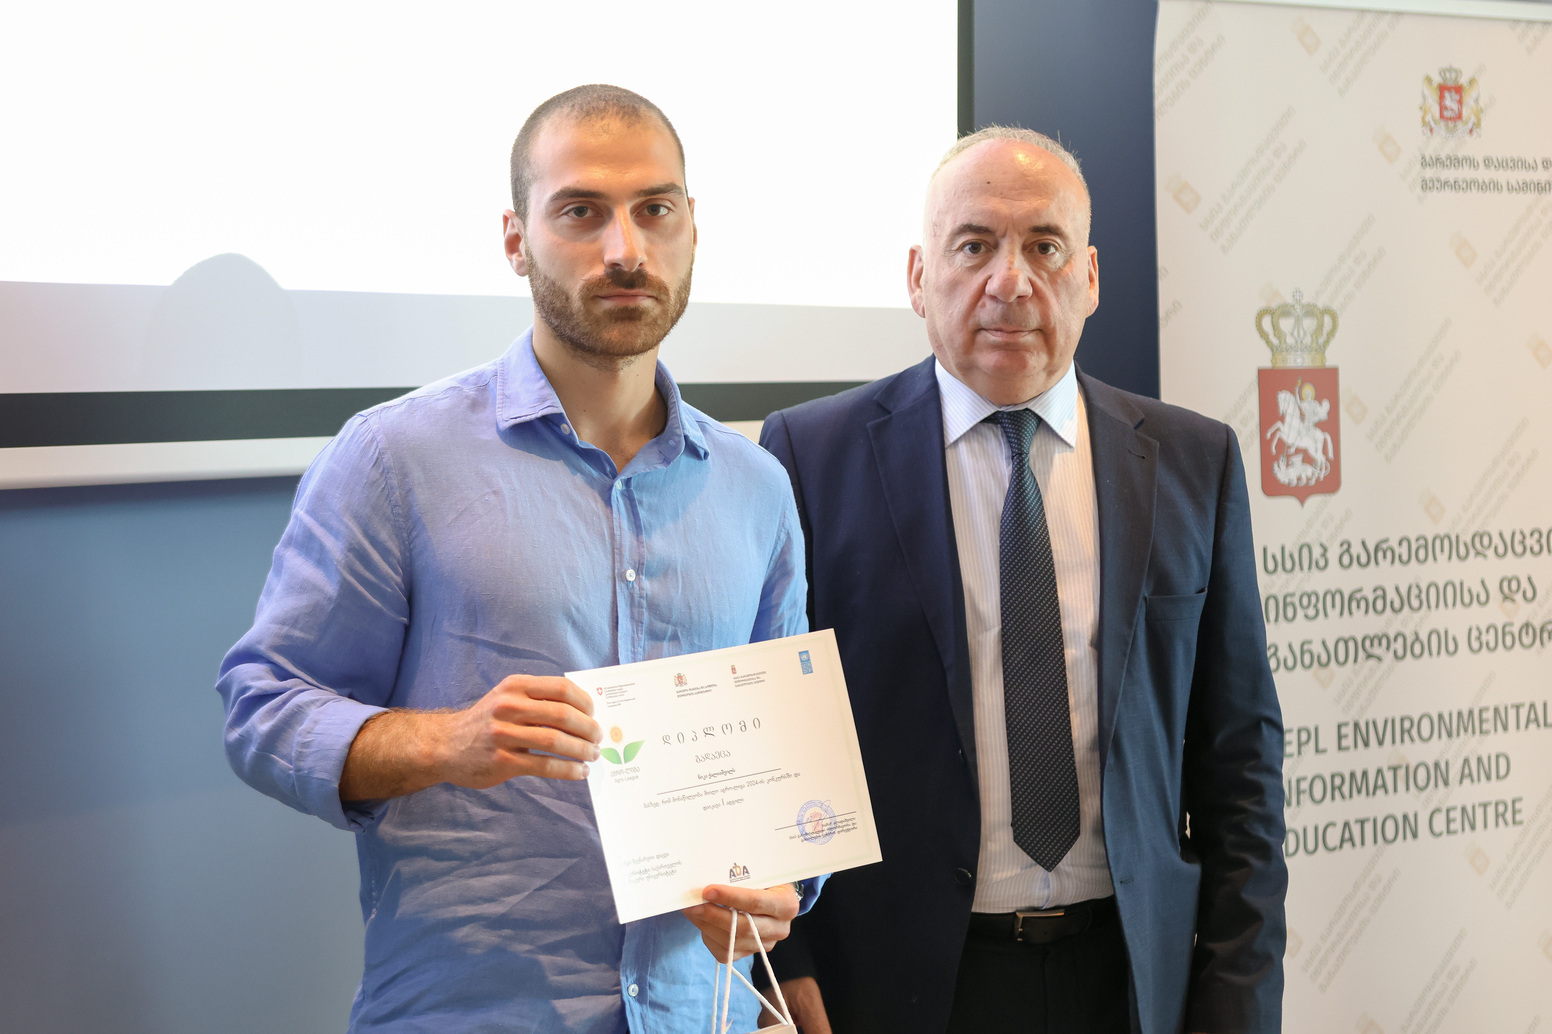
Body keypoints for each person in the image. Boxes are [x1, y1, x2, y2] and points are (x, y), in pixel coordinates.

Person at [217, 84, 814, 1033]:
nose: (625, 250)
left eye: (655, 209)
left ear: (692, 227)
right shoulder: (393, 458)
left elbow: (781, 777)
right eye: (581, 212)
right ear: (515, 239)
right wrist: (446, 742)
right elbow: (262, 710)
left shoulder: (757, 488)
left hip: (698, 1014)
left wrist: (777, 891)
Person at [758, 127, 1287, 1033]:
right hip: (901, 990)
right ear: (918, 276)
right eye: (974, 246)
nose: (1010, 281)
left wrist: (1238, 1004)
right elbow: (774, 741)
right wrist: (786, 966)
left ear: (1090, 277)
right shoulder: (810, 457)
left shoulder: (1192, 461)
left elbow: (1240, 763)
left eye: (1044, 246)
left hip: (1132, 981)